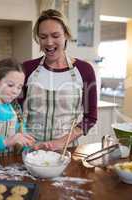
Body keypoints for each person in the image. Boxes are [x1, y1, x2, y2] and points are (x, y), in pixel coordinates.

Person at [20, 9, 97, 151]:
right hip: (31, 150)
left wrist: (62, 141)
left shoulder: (85, 70)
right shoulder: (27, 68)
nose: (49, 42)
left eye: (55, 35)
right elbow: (14, 110)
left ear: (66, 35)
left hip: (67, 151)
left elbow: (90, 117)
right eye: (43, 37)